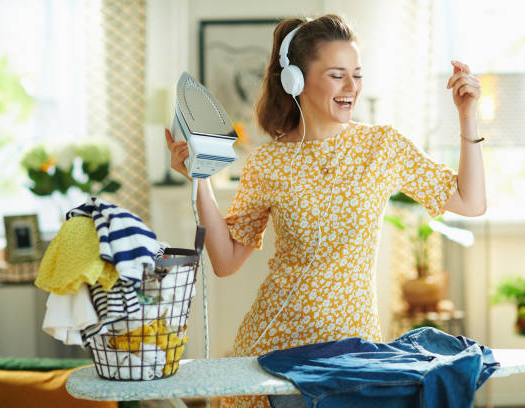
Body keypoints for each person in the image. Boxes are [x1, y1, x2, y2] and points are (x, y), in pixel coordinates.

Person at [165, 14, 485, 408]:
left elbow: (470, 202)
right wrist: (200, 180)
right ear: (296, 80)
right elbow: (226, 260)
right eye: (337, 75)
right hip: (273, 348)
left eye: (357, 74)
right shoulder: (269, 162)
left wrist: (467, 116)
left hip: (352, 351)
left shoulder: (382, 146)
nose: (352, 86)